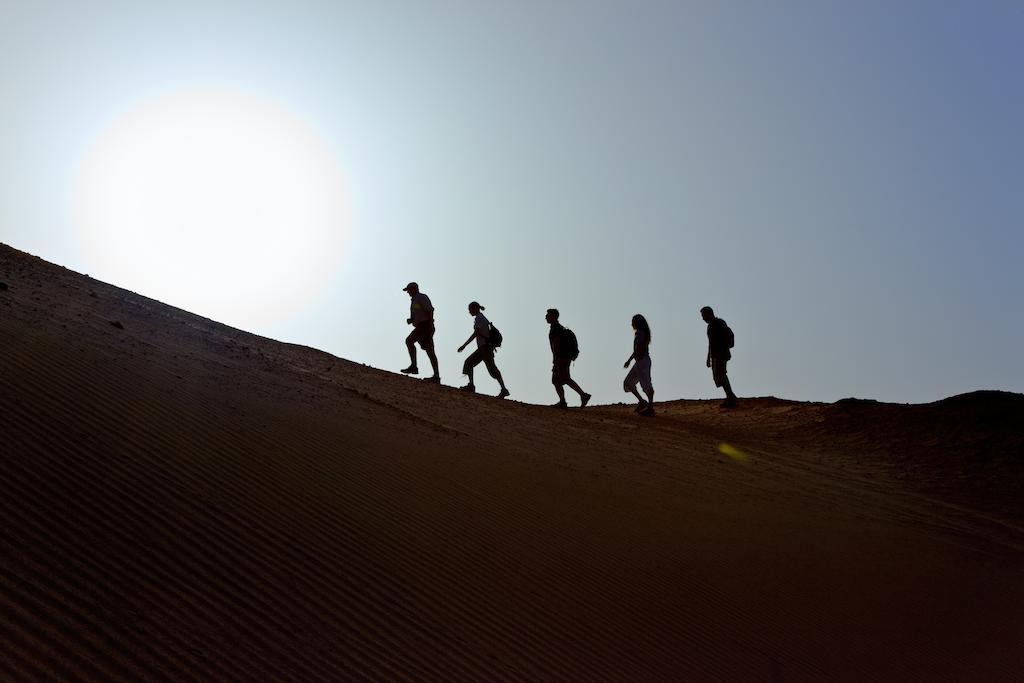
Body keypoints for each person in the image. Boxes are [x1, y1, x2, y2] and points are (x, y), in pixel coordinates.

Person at [457, 301, 510, 399]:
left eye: (470, 310)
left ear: (475, 309)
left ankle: (503, 389)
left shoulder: (479, 318)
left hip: (485, 348)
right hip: (483, 348)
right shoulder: (481, 318)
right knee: (469, 363)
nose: (469, 312)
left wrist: (464, 345)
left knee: (492, 370)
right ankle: (471, 385)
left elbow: (475, 334)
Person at [545, 308, 591, 409]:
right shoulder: (558, 328)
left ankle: (583, 395)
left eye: (548, 315)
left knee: (565, 378)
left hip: (561, 358)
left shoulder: (555, 329)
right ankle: (563, 401)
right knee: (556, 380)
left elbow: (556, 345)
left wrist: (555, 359)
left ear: (553, 316)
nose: (546, 317)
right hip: (564, 357)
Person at [401, 282, 440, 382]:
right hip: (422, 325)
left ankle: (414, 366)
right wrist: (412, 320)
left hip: (425, 326)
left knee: (409, 341)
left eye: (409, 290)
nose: (408, 292)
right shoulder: (414, 300)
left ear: (414, 289)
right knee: (430, 351)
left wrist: (430, 325)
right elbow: (420, 313)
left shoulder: (421, 297)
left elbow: (430, 310)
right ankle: (436, 376)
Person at [701, 306, 737, 408]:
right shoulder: (710, 326)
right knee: (718, 377)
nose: (703, 319)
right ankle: (730, 396)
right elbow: (710, 343)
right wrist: (709, 358)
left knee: (721, 375)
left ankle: (731, 398)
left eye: (704, 316)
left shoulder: (719, 323)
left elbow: (728, 336)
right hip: (715, 355)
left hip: (721, 354)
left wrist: (725, 350)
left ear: (709, 314)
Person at [623, 314, 655, 415]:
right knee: (628, 383)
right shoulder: (642, 333)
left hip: (642, 361)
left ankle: (650, 407)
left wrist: (630, 359)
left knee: (646, 384)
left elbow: (638, 349)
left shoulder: (640, 334)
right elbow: (637, 349)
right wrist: (630, 360)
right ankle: (642, 402)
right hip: (640, 361)